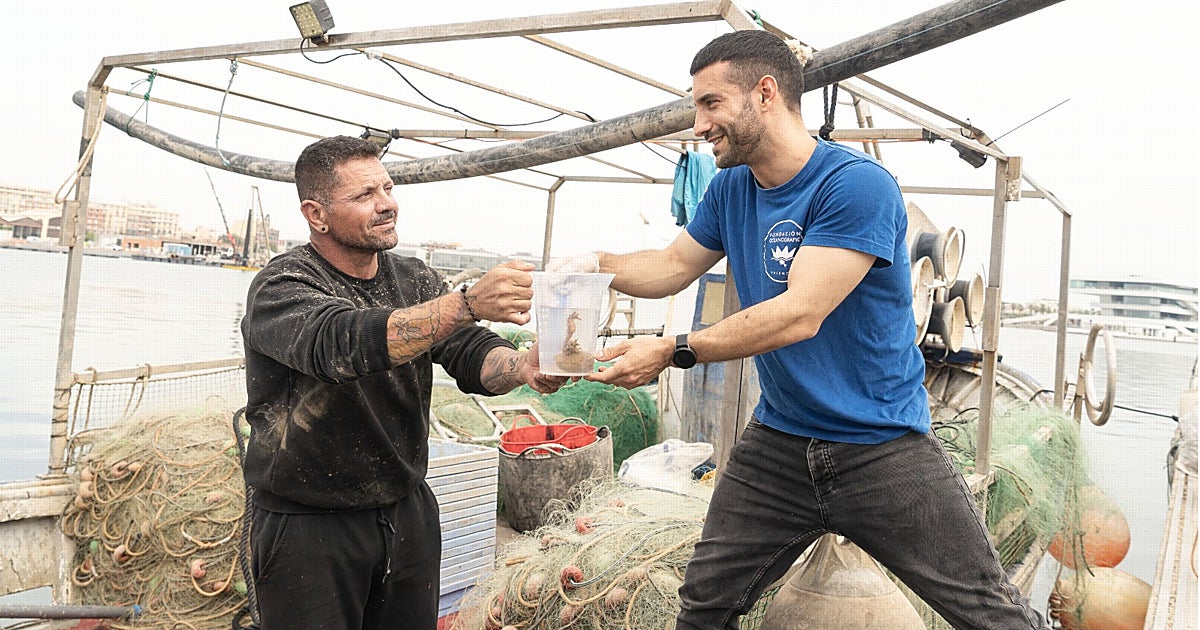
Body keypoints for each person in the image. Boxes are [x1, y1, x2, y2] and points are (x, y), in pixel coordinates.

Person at [552, 30, 1047, 630]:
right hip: (780, 444)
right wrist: (593, 265)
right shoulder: (730, 186)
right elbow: (671, 266)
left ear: (765, 93)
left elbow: (799, 313)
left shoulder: (856, 186)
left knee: (987, 610)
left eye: (711, 104)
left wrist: (674, 350)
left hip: (881, 446)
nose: (699, 124)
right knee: (704, 605)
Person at [240, 135, 566, 630]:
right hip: (308, 523)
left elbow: (468, 349)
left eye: (388, 188)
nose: (387, 204)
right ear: (316, 213)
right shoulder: (283, 286)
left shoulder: (412, 278)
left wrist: (521, 366)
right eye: (364, 195)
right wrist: (465, 302)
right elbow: (342, 344)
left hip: (405, 510)